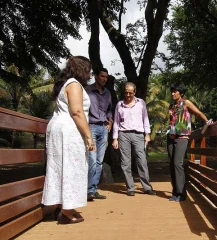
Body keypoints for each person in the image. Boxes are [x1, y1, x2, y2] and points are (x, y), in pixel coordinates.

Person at [42, 56, 96, 224]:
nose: (90, 73)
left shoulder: (68, 83)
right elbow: (77, 112)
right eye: (89, 69)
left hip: (61, 129)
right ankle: (65, 212)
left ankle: (64, 206)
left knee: (63, 167)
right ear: (83, 69)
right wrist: (89, 137)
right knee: (71, 167)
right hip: (68, 131)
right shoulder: (74, 84)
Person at [167, 83, 212, 202]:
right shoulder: (172, 105)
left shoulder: (186, 103)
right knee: (172, 165)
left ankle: (182, 193)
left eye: (175, 91)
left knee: (178, 163)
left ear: (181, 93)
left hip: (182, 137)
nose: (172, 93)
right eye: (172, 91)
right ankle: (175, 192)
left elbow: (198, 112)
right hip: (171, 137)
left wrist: (207, 121)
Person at [112, 82, 156, 196]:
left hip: (138, 134)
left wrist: (147, 134)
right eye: (126, 92)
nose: (127, 95)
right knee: (125, 162)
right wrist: (115, 138)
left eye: (130, 93)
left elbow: (145, 119)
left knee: (141, 161)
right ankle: (130, 187)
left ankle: (147, 187)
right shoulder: (119, 105)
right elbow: (116, 123)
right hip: (124, 135)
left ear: (134, 92)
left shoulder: (141, 103)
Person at [86, 68, 112, 201]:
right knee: (91, 159)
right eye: (102, 76)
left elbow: (109, 110)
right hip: (91, 127)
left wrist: (110, 121)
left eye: (106, 77)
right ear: (96, 76)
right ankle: (88, 190)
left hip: (103, 128)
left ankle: (93, 189)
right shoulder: (87, 90)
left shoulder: (107, 93)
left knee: (99, 161)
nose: (104, 79)